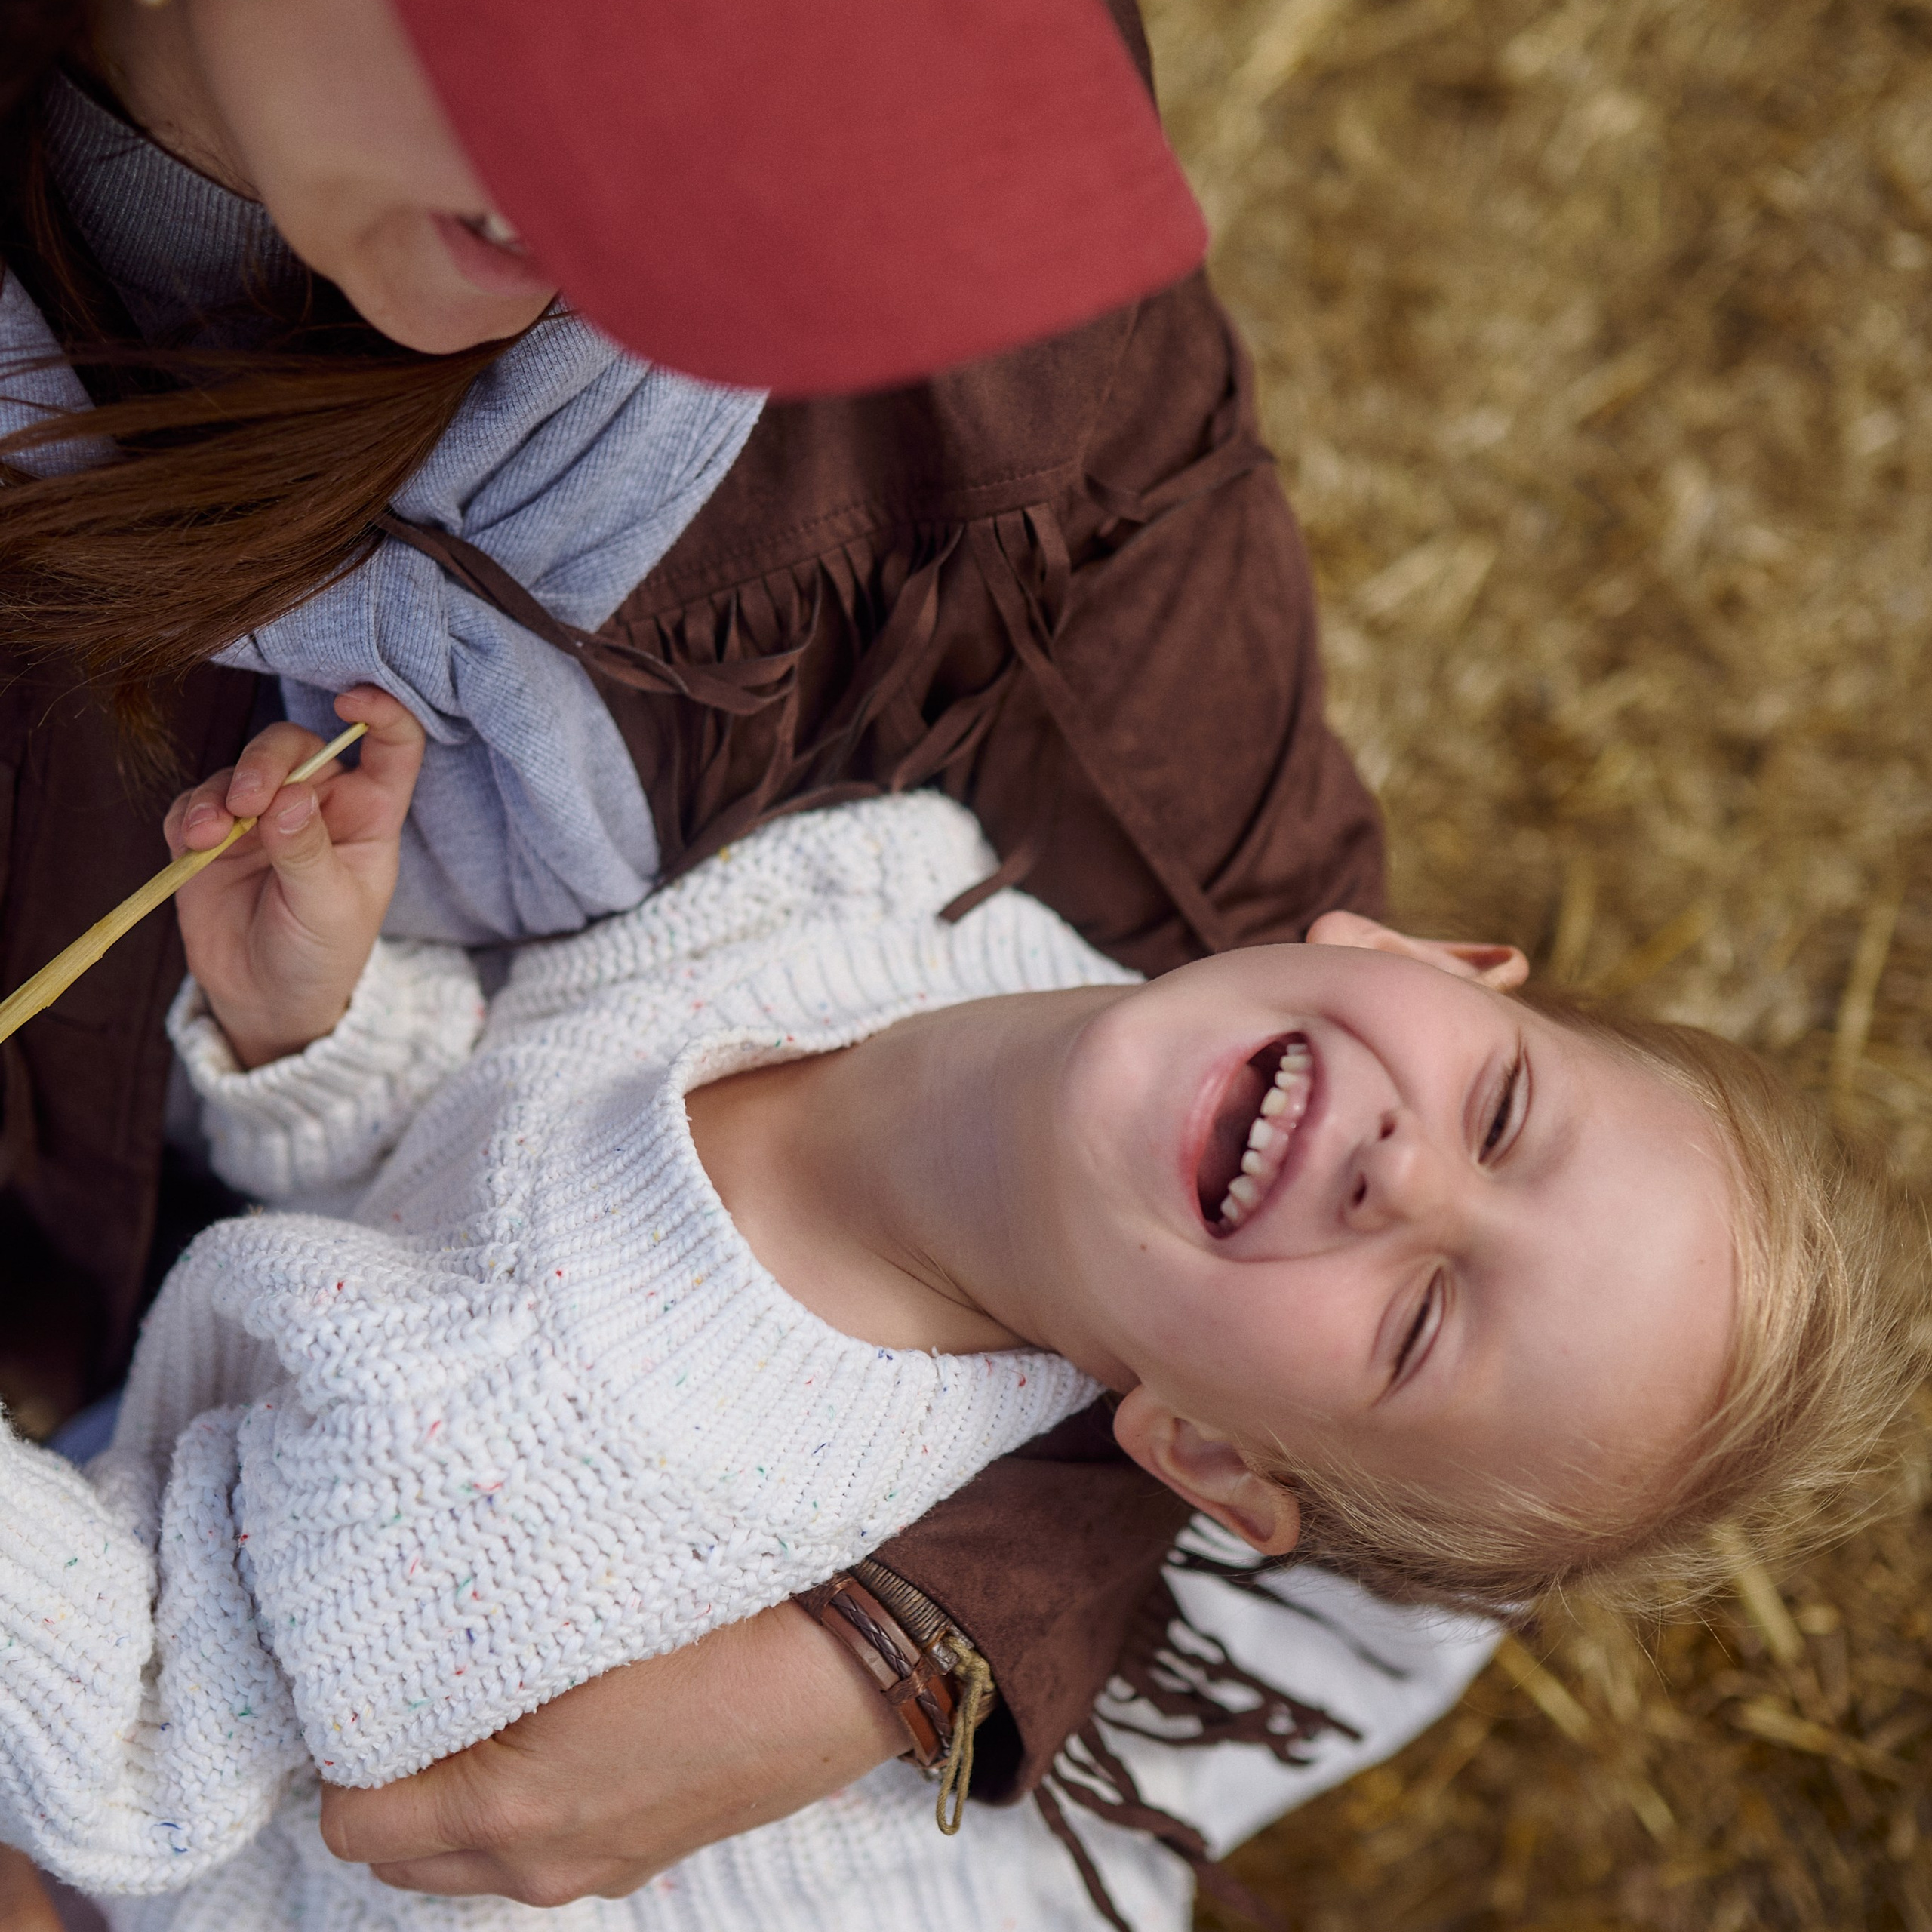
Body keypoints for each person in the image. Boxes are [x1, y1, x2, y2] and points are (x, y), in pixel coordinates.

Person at [0, 0, 1406, 1915]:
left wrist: (893, 1647)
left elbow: (1269, 983)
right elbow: (142, 1717)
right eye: (607, 79)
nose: (699, 213)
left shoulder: (966, 320)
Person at [2, 694, 1916, 1930]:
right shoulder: (920, 895)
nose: (1400, 1175)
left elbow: (148, 1742)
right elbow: (464, 1199)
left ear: (1204, 1452)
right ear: (1424, 956)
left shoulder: (575, 1478)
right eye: (1503, 1108)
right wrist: (321, 1025)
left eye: (1422, 1318)